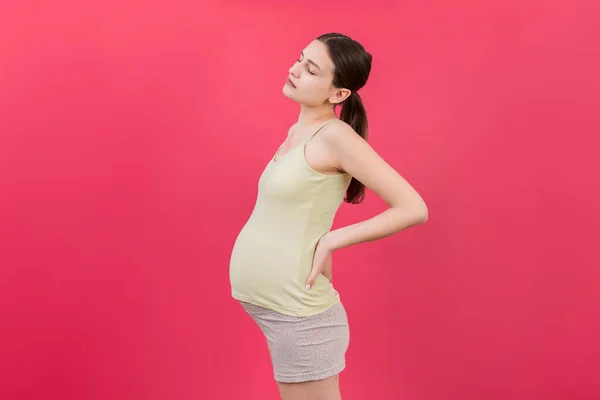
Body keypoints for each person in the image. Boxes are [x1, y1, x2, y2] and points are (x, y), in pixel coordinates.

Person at [229, 32, 428, 400]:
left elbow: (414, 207)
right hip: (283, 313)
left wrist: (332, 239)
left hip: (301, 320)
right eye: (299, 58)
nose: (294, 70)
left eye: (310, 69)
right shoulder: (298, 132)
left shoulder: (335, 136)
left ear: (338, 95)